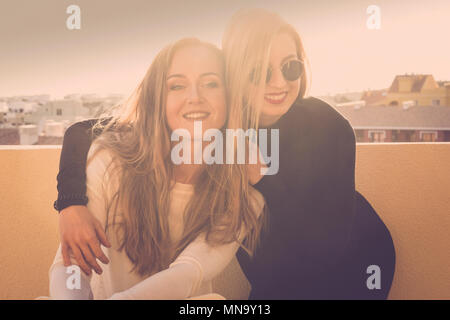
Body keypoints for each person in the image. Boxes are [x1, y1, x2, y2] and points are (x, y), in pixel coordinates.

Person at [53, 9, 395, 299]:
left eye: (290, 67)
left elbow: (324, 243)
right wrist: (70, 202)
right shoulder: (221, 115)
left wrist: (262, 177)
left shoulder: (327, 126)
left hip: (352, 260)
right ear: (234, 77)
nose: (278, 83)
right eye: (259, 71)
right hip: (274, 269)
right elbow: (85, 131)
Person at [49, 38, 265, 299]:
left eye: (211, 83)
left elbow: (187, 274)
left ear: (230, 96)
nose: (194, 97)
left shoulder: (241, 193)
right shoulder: (109, 160)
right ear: (157, 98)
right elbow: (70, 265)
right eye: (177, 85)